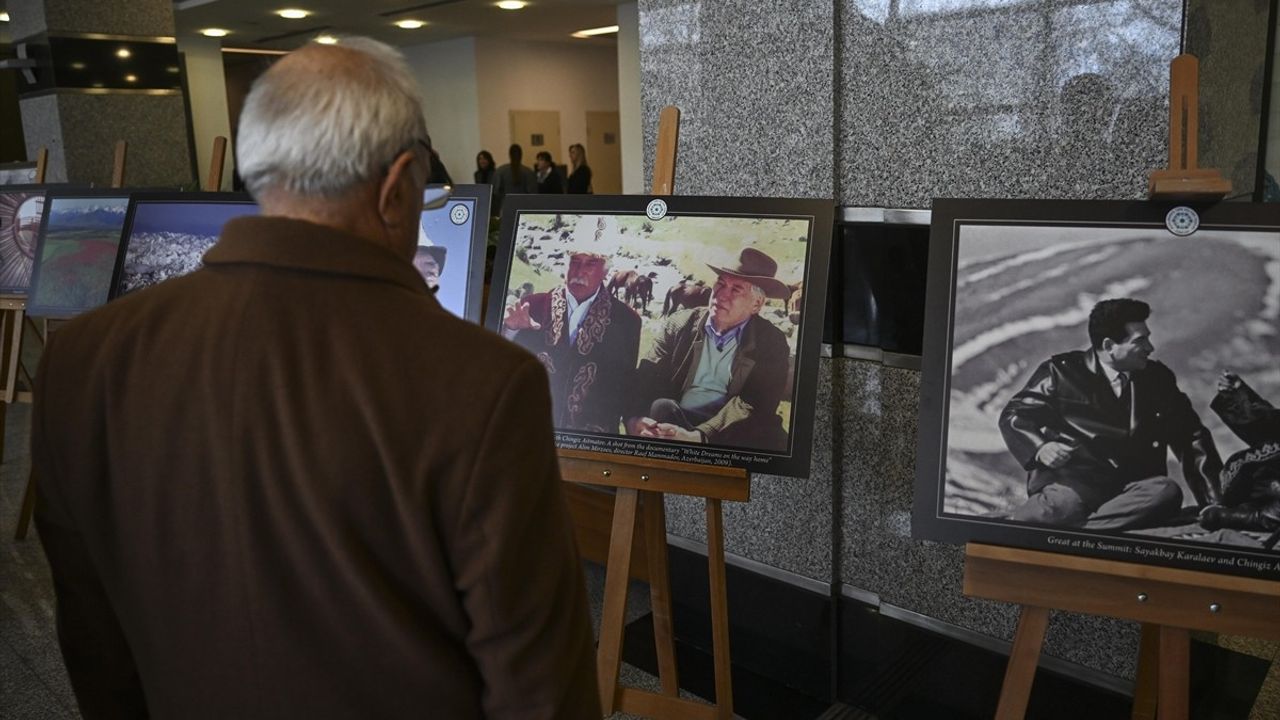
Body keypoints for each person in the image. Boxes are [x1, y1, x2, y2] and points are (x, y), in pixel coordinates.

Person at [32, 37, 599, 720]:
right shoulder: (484, 382)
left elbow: (95, 642)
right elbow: (538, 689)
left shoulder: (84, 359)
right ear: (397, 188)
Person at [999, 298, 1222, 530]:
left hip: (1134, 490)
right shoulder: (1061, 372)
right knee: (1061, 508)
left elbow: (1190, 436)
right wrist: (1040, 448)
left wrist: (1214, 503)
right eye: (1140, 340)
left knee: (1167, 492)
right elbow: (1015, 415)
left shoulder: (1158, 379)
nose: (1150, 348)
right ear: (1108, 346)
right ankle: (1094, 527)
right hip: (1075, 485)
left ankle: (1081, 533)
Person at [626, 248, 792, 451]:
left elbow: (756, 403)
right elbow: (646, 377)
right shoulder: (680, 324)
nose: (721, 295)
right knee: (661, 406)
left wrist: (700, 436)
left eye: (735, 290)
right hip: (675, 418)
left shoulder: (771, 341)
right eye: (720, 284)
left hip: (733, 430)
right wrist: (634, 418)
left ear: (757, 304)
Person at [502, 217, 641, 433]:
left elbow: (625, 388)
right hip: (528, 435)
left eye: (590, 263)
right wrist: (509, 329)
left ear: (606, 270)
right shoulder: (532, 306)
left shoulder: (627, 321)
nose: (579, 271)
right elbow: (499, 371)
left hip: (591, 444)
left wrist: (634, 422)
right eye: (574, 261)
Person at [1200, 371, 1280, 533]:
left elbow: (1269, 518)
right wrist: (1238, 396)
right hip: (1247, 488)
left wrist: (1228, 516)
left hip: (1256, 502)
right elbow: (1272, 428)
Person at [491, 143, 537, 213]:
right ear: (521, 155)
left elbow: (496, 192)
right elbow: (533, 194)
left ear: (509, 155)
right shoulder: (528, 172)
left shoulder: (500, 171)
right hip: (524, 208)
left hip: (505, 207)